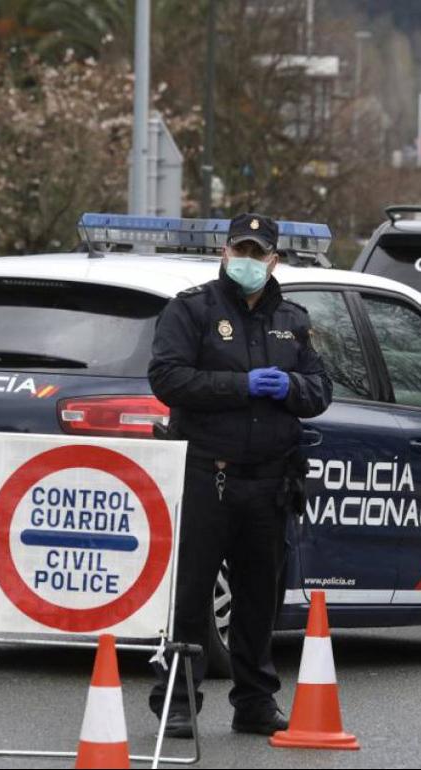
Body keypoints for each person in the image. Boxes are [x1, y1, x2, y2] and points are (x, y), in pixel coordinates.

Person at [147, 213, 333, 737]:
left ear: (274, 261)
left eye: (259, 253)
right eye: (240, 250)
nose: (248, 261)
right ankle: (178, 699)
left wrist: (290, 389)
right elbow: (167, 378)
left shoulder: (292, 319)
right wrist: (243, 385)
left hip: (271, 481)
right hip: (209, 474)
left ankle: (254, 701)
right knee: (191, 596)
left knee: (258, 600)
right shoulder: (192, 310)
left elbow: (320, 390)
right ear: (225, 253)